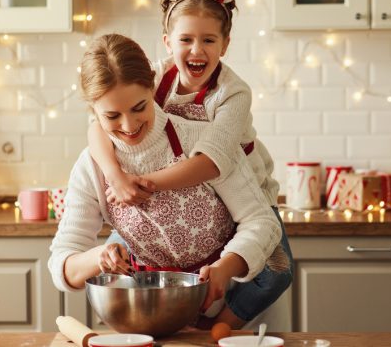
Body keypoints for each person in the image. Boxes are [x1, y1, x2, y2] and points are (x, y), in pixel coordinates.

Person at [86, 0, 293, 328]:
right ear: (167, 42)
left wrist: (142, 184)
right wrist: (117, 178)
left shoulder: (233, 93)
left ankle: (220, 326)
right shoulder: (154, 78)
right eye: (186, 39)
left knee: (277, 272)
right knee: (124, 252)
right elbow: (95, 126)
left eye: (209, 40)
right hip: (163, 195)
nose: (197, 50)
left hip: (243, 190)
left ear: (225, 45)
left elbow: (211, 163)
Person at [48, 34, 287, 330]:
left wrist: (226, 268)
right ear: (93, 112)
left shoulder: (202, 141)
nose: (129, 125)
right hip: (150, 320)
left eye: (139, 107)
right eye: (111, 116)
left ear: (152, 86)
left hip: (235, 317)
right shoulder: (91, 166)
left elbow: (262, 221)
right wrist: (100, 257)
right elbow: (62, 264)